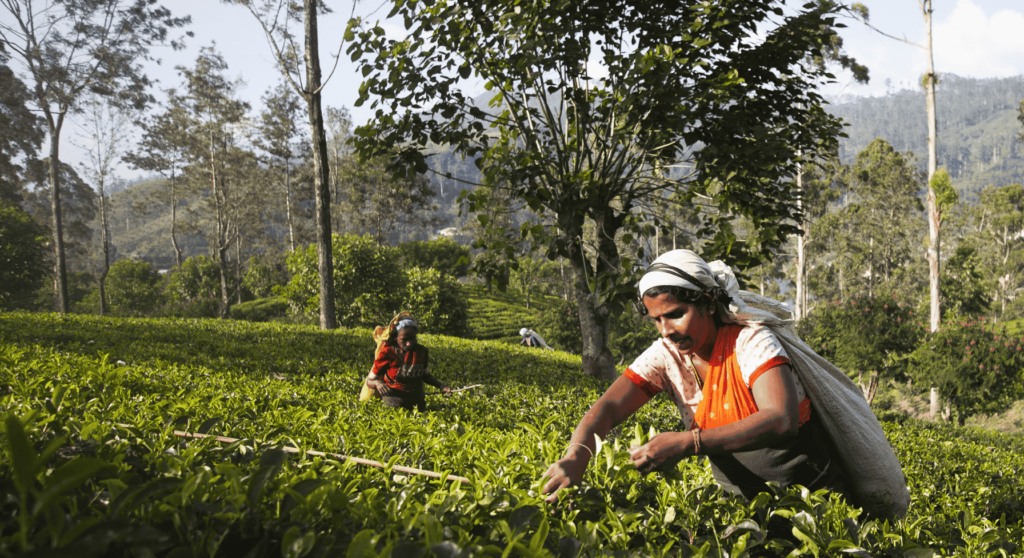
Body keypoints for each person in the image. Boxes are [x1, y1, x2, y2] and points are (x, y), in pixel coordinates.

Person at [541, 250, 909, 518]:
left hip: (810, 507)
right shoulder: (666, 354)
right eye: (656, 320)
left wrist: (688, 442)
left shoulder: (750, 342)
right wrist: (577, 455)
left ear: (705, 302)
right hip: (741, 509)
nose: (667, 330)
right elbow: (607, 408)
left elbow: (781, 418)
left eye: (676, 314)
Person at [364, 315, 451, 411]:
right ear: (395, 338)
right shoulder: (387, 353)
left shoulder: (421, 351)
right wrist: (377, 383)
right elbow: (370, 380)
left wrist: (441, 386)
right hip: (393, 403)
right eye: (404, 340)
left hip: (417, 403)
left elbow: (426, 376)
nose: (409, 343)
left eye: (412, 338)